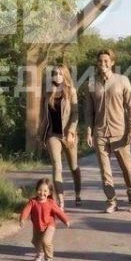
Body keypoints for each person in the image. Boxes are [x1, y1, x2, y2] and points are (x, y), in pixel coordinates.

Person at [83, 48, 131, 213]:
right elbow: (88, 111)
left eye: (106, 61)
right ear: (97, 63)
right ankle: (111, 201)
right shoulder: (91, 84)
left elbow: (130, 107)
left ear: (112, 62)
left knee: (127, 168)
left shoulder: (122, 80)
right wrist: (88, 131)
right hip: (100, 133)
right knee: (105, 171)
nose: (103, 63)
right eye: (100, 61)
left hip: (120, 133)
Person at [37, 63, 81, 208]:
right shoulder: (47, 91)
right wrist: (41, 135)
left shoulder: (71, 91)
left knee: (74, 167)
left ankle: (78, 193)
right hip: (52, 134)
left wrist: (71, 132)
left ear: (65, 75)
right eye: (55, 73)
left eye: (60, 73)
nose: (57, 76)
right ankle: (61, 201)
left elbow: (75, 114)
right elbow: (43, 115)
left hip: (68, 135)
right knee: (57, 166)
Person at [19, 178, 70, 261]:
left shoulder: (51, 203)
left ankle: (49, 258)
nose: (42, 193)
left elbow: (59, 212)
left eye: (45, 191)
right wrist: (22, 219)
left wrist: (65, 220)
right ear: (36, 190)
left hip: (49, 225)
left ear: (49, 192)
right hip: (37, 225)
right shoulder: (33, 202)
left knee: (46, 241)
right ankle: (40, 253)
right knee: (35, 241)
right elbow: (26, 210)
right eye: (40, 190)